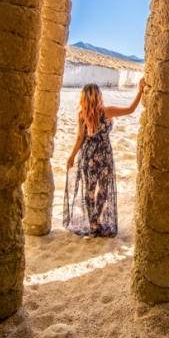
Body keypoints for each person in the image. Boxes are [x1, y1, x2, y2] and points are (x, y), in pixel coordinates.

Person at [63, 78, 145, 237]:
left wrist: (72, 156)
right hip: (104, 155)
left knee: (90, 190)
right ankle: (95, 220)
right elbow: (130, 109)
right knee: (103, 189)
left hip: (87, 155)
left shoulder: (82, 115)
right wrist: (139, 91)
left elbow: (80, 138)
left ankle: (93, 223)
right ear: (98, 95)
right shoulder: (107, 112)